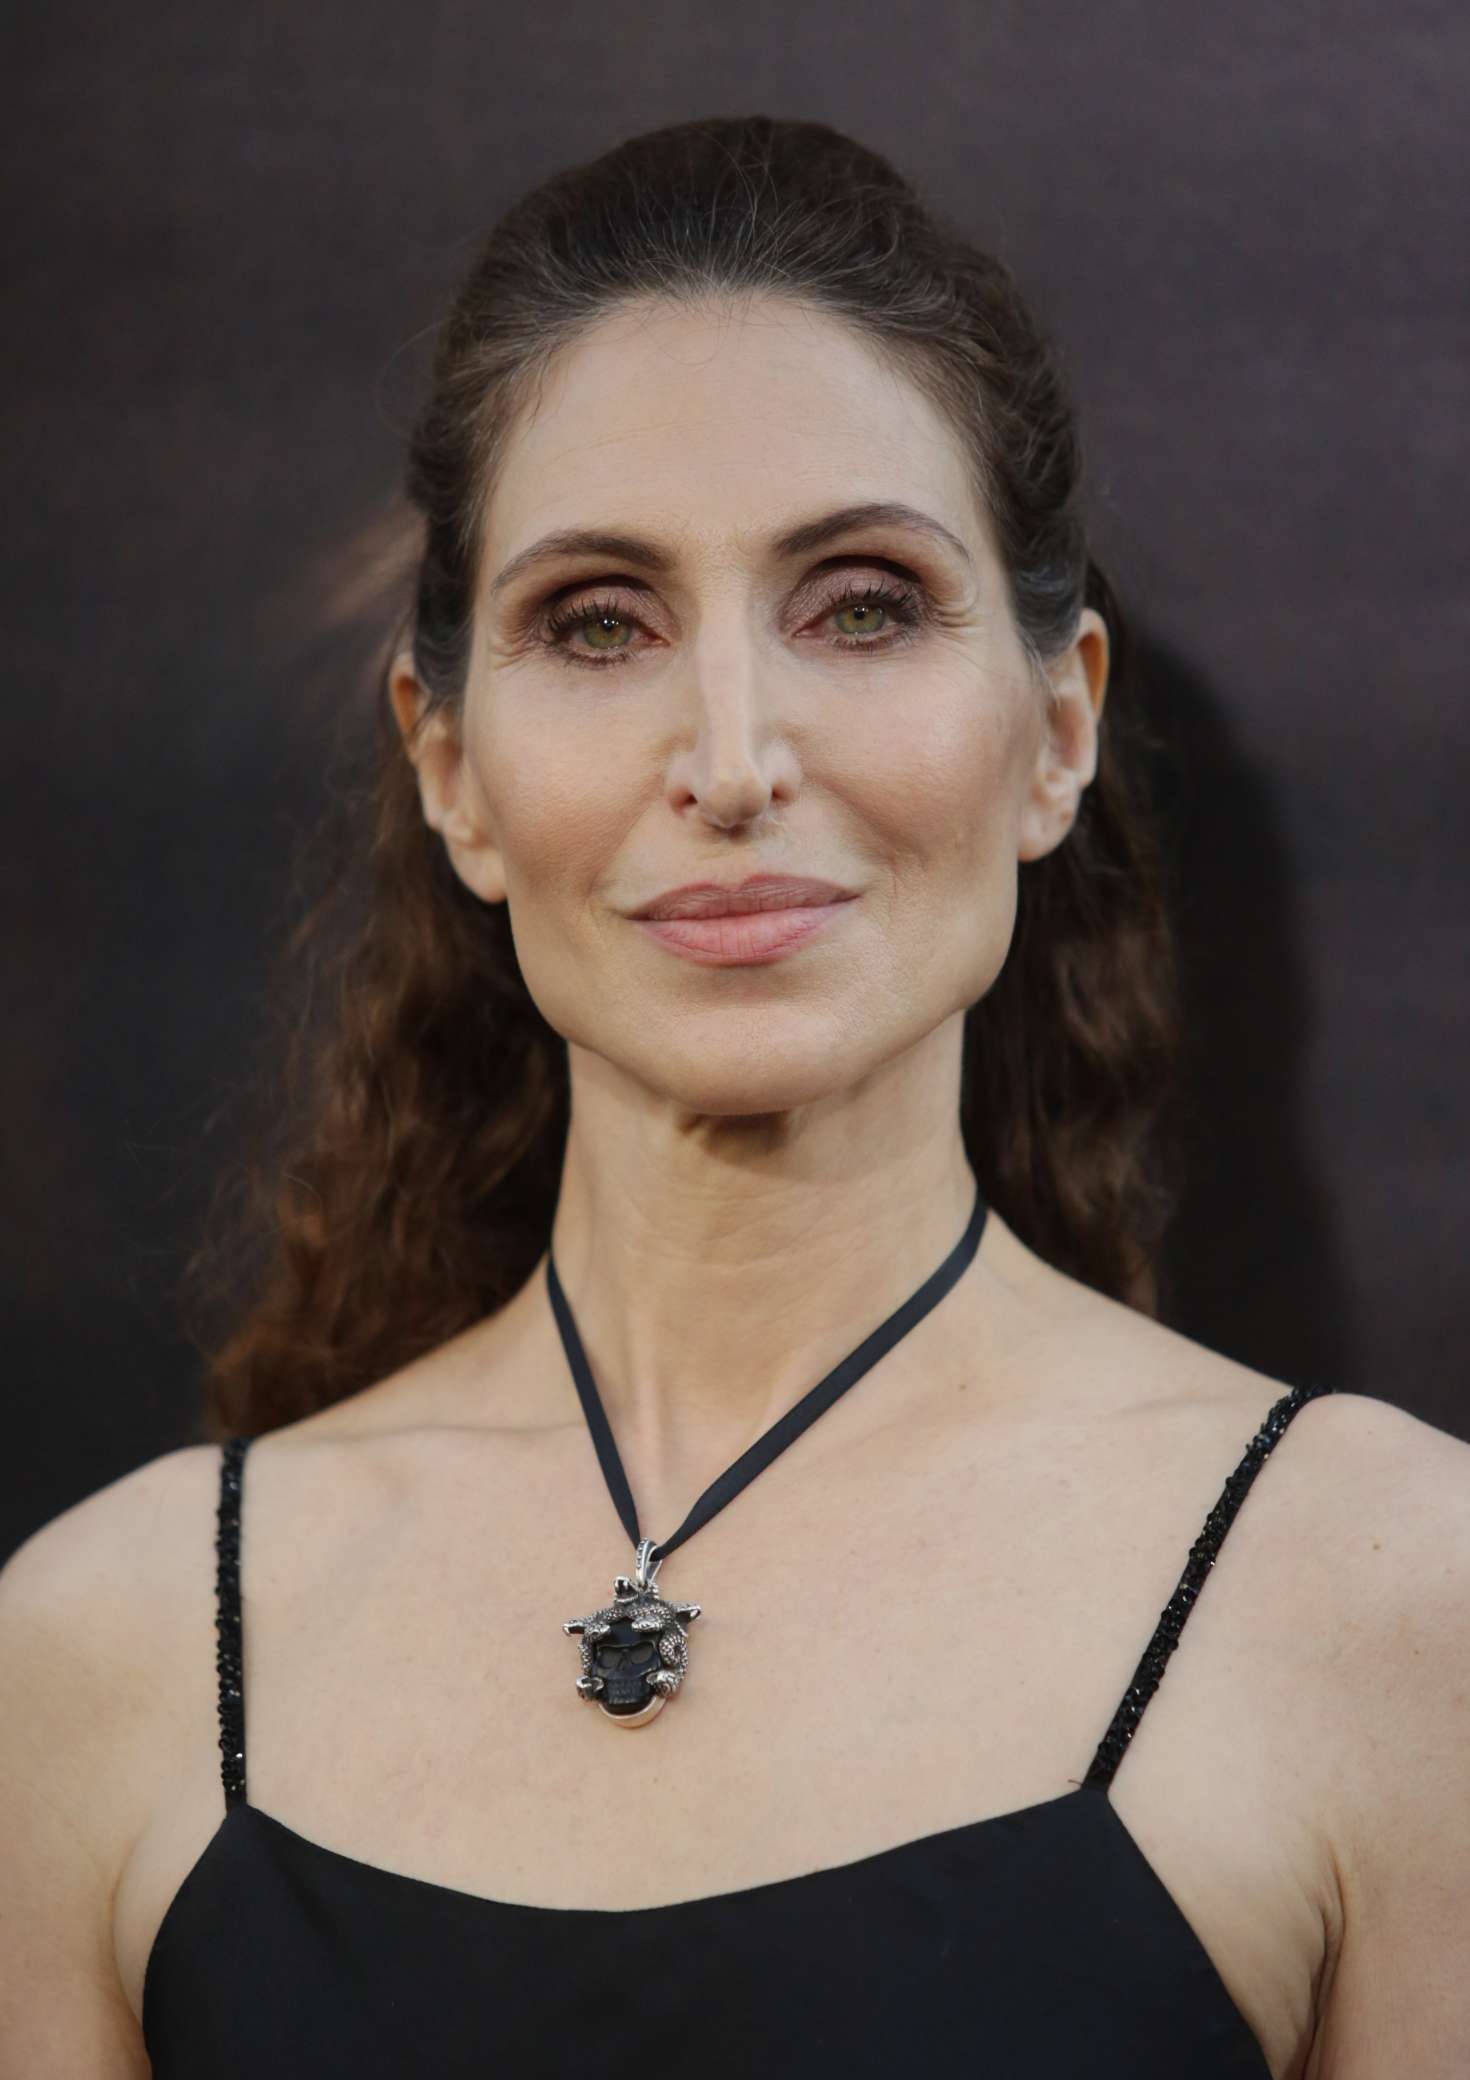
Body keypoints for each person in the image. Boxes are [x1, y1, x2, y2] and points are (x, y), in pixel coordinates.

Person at [2, 113, 1467, 2079]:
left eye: (862, 602)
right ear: (450, 769)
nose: (731, 755)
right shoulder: (104, 1659)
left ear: (1057, 729)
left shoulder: (1386, 1605)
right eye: (599, 622)